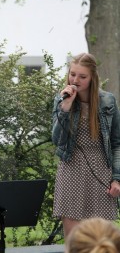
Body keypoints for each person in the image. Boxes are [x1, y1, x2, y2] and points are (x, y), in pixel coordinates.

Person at [52, 53, 120, 239]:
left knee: (102, 242)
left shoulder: (108, 101)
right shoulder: (62, 100)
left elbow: (117, 143)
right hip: (71, 171)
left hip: (100, 173)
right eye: (73, 74)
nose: (75, 80)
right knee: (75, 242)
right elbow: (57, 140)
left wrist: (117, 178)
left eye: (82, 76)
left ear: (92, 78)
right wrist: (65, 107)